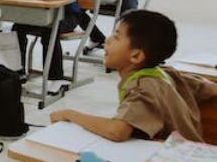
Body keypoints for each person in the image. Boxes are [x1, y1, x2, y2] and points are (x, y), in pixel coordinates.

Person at [51, 10, 217, 142]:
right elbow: (210, 89)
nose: (107, 40)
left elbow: (117, 131)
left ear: (136, 56)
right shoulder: (166, 73)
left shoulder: (143, 87)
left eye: (116, 37)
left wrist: (70, 114)